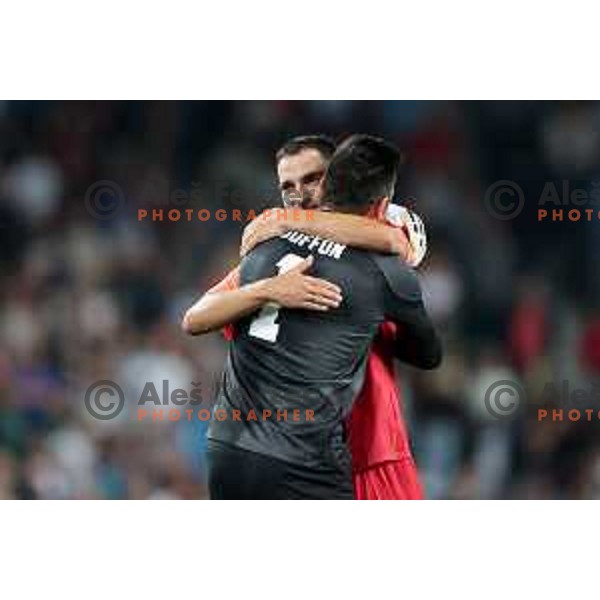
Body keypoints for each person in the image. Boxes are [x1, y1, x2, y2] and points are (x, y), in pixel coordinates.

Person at [183, 134, 441, 499]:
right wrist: (269, 289)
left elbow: (396, 239)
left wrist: (285, 219)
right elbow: (195, 317)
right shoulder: (271, 251)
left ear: (336, 177)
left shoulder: (376, 226)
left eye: (311, 179)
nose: (299, 196)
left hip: (370, 448)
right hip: (314, 452)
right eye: (287, 187)